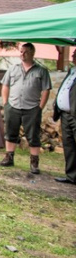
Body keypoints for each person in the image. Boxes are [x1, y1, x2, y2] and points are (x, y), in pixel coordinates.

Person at [0, 43, 51, 174]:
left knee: (33, 135)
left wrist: (40, 107)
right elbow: (5, 85)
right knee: (10, 132)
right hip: (13, 106)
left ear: (32, 53)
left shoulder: (41, 71)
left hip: (32, 107)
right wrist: (6, 102)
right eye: (21, 52)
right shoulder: (13, 68)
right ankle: (9, 157)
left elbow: (46, 90)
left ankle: (34, 163)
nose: (22, 54)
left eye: (25, 52)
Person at [54, 49, 76, 184]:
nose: (72, 56)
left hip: (74, 114)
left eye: (75, 54)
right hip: (65, 114)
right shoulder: (72, 71)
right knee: (69, 145)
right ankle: (72, 176)